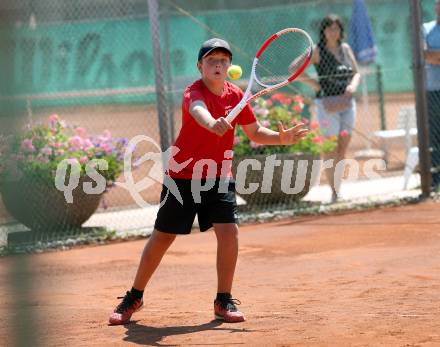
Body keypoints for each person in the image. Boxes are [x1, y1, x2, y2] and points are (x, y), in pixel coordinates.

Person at [108, 38, 308, 325]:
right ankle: (134, 296)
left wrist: (281, 138)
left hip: (218, 176)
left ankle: (223, 300)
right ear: (200, 66)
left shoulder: (236, 94)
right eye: (211, 60)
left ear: (229, 66)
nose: (218, 65)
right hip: (183, 176)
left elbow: (254, 132)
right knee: (162, 237)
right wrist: (212, 122)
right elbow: (198, 110)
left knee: (230, 233)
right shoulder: (194, 91)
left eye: (223, 60)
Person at [293, 14, 360, 202]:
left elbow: (356, 74)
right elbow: (294, 68)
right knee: (330, 149)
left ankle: (338, 190)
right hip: (327, 105)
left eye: (337, 28)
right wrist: (317, 85)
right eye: (330, 28)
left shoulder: (345, 49)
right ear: (323, 31)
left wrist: (352, 86)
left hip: (347, 104)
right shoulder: (317, 50)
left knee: (342, 149)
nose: (334, 31)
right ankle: (334, 193)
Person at [423, 0, 440, 191]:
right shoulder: (425, 28)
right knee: (434, 135)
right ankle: (436, 179)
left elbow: (432, 55)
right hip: (432, 90)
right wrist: (432, 56)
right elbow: (424, 54)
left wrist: (435, 56)